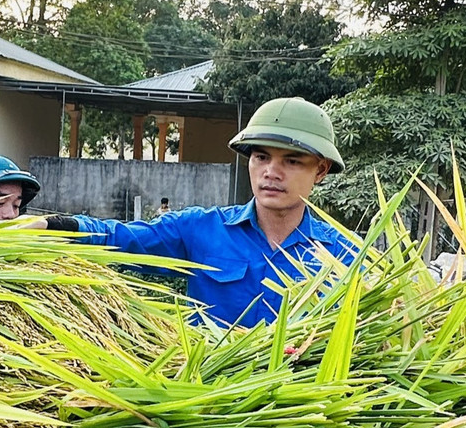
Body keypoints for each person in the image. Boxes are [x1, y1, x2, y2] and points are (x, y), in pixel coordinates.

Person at [38, 96, 356, 327]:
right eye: (261, 157)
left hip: (298, 411)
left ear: (321, 170)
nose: (271, 172)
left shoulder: (345, 256)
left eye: (292, 160)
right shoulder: (200, 229)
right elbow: (123, 240)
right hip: (204, 406)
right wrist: (49, 226)